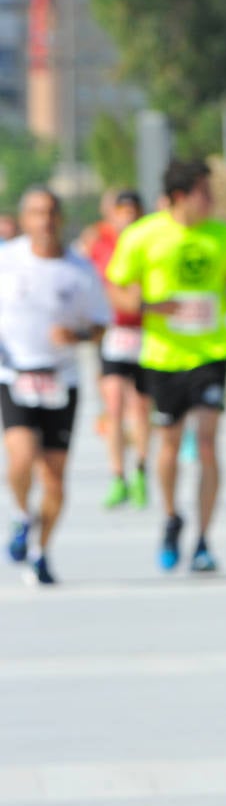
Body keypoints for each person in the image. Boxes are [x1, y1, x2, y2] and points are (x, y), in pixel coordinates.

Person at [105, 159, 226, 574]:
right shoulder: (143, 235)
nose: (213, 200)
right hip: (163, 357)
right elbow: (116, 283)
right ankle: (171, 517)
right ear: (182, 196)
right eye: (206, 192)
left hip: (211, 352)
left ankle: (203, 539)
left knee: (206, 442)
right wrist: (147, 306)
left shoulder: (220, 234)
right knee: (168, 443)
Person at [0, 187, 112, 585]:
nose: (44, 222)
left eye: (51, 213)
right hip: (15, 375)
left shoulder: (79, 270)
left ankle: (40, 551)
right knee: (21, 456)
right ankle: (19, 513)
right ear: (24, 218)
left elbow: (101, 325)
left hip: (60, 380)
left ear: (60, 219)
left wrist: (78, 335)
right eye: (35, 213)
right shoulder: (6, 261)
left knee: (55, 479)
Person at [83, 189, 152, 509]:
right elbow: (97, 284)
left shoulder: (151, 242)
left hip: (147, 334)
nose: (127, 217)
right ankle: (117, 476)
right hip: (114, 334)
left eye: (132, 211)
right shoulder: (102, 243)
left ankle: (140, 469)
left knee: (140, 407)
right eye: (121, 211)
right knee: (113, 405)